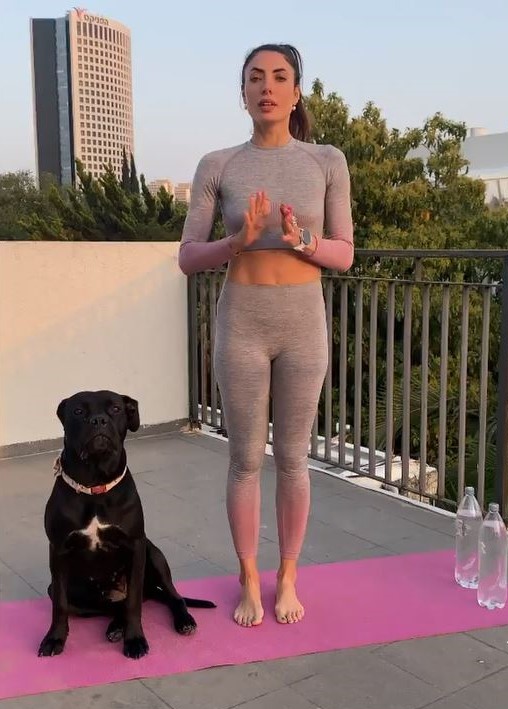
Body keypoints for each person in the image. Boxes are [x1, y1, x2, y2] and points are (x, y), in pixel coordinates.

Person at [178, 43, 354, 627]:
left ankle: (290, 575)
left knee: (295, 459)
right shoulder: (218, 164)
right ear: (244, 93)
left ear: (296, 92)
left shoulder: (326, 160)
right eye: (256, 78)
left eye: (279, 77)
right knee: (245, 459)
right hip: (242, 322)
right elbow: (187, 257)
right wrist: (238, 242)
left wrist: (304, 241)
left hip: (303, 324)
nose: (267, 87)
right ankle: (250, 577)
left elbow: (345, 253)